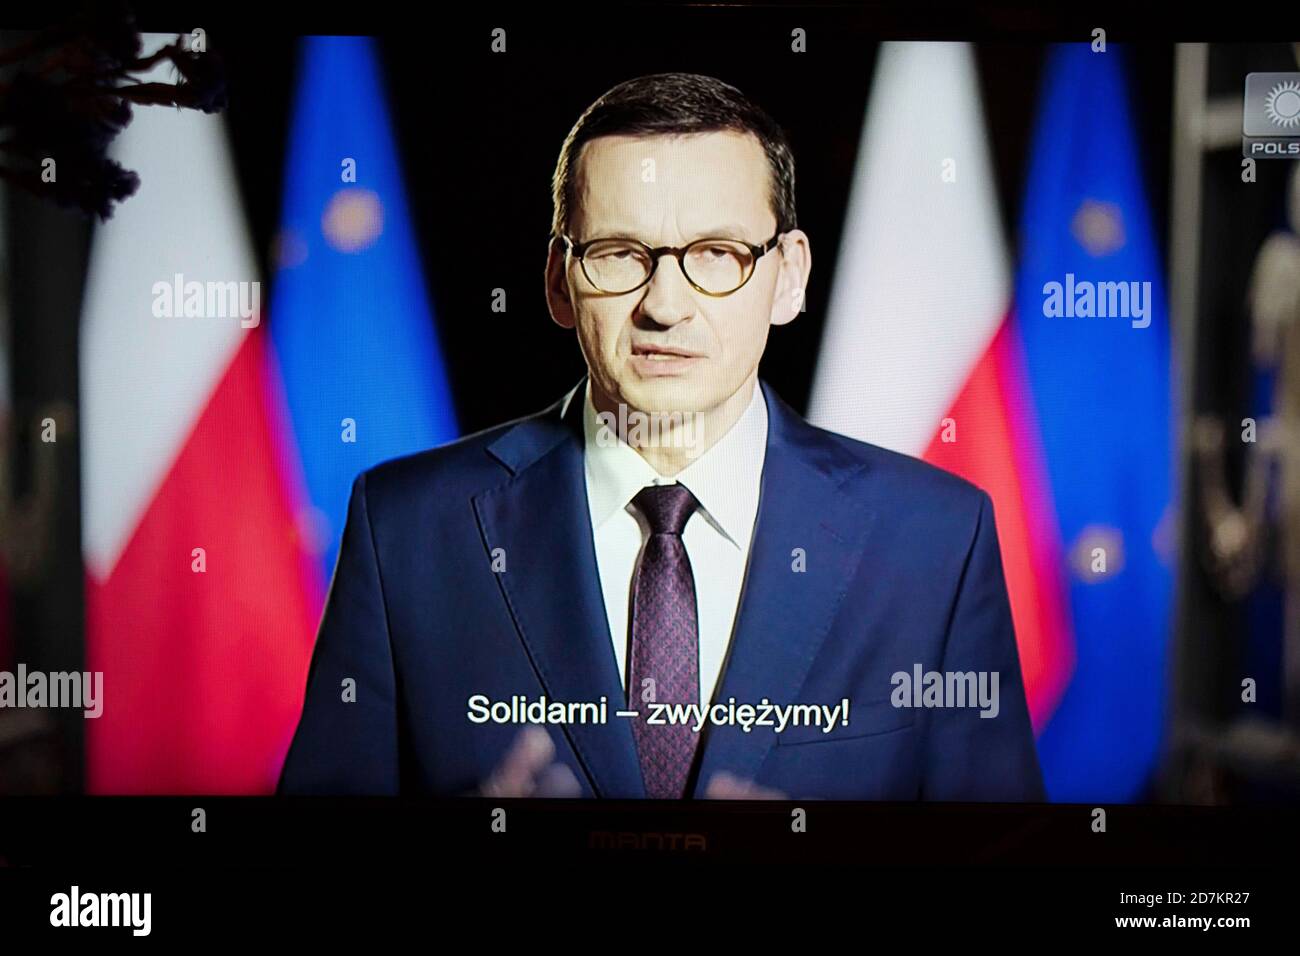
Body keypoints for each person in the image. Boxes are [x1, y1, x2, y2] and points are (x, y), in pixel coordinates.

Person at [278, 72, 1045, 800]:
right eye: (620, 255)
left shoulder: (936, 539)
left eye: (718, 254)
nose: (666, 305)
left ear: (788, 277)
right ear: (557, 281)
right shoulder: (406, 527)